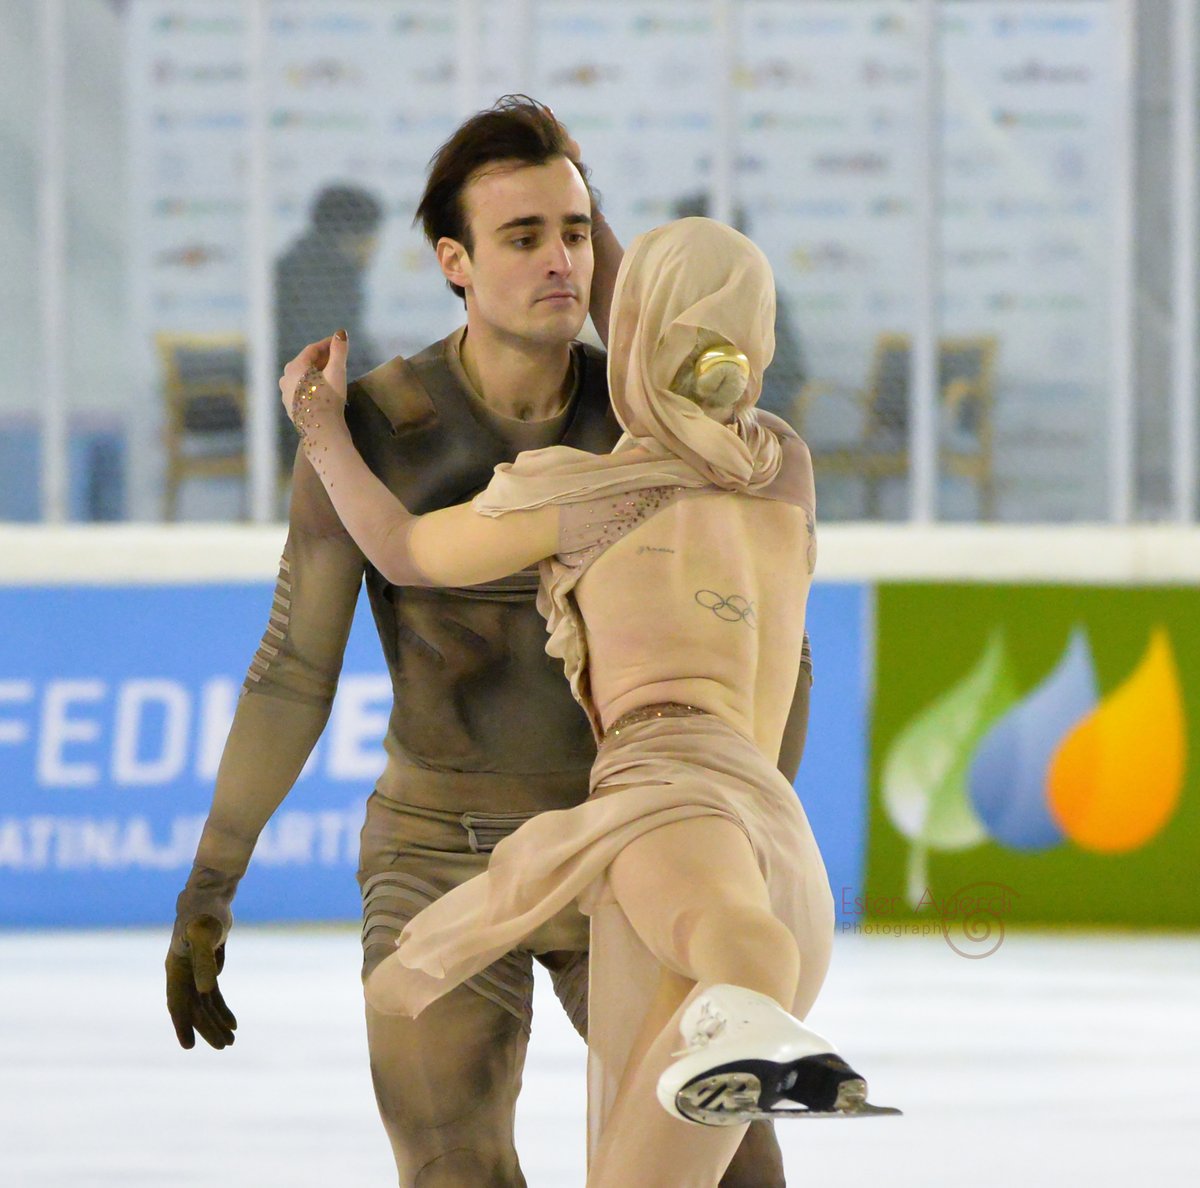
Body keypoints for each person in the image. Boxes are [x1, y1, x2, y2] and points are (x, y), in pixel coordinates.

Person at [165, 97, 805, 1186]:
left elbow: (771, 653)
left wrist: (727, 833)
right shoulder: (372, 427)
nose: (561, 259)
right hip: (437, 851)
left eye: (575, 230)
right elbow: (292, 669)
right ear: (453, 261)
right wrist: (211, 878)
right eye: (524, 237)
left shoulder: (655, 420)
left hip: (624, 840)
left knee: (736, 1173)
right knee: (453, 1168)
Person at [280, 218, 896, 1188]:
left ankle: (753, 995)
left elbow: (399, 550)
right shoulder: (784, 472)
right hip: (783, 841)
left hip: (670, 798)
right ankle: (755, 1005)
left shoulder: (581, 495)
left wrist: (321, 430)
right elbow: (688, 363)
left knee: (738, 945)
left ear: (636, 324)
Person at [274, 183, 384, 467]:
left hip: (297, 400)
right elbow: (332, 354)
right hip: (305, 411)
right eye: (374, 236)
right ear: (352, 235)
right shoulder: (329, 275)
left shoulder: (298, 261)